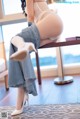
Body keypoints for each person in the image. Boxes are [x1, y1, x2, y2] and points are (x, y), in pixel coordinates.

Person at [9, 0, 63, 116]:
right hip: (52, 29)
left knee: (15, 40)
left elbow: (31, 16)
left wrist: (28, 33)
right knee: (20, 49)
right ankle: (23, 91)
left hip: (50, 21)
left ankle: (22, 93)